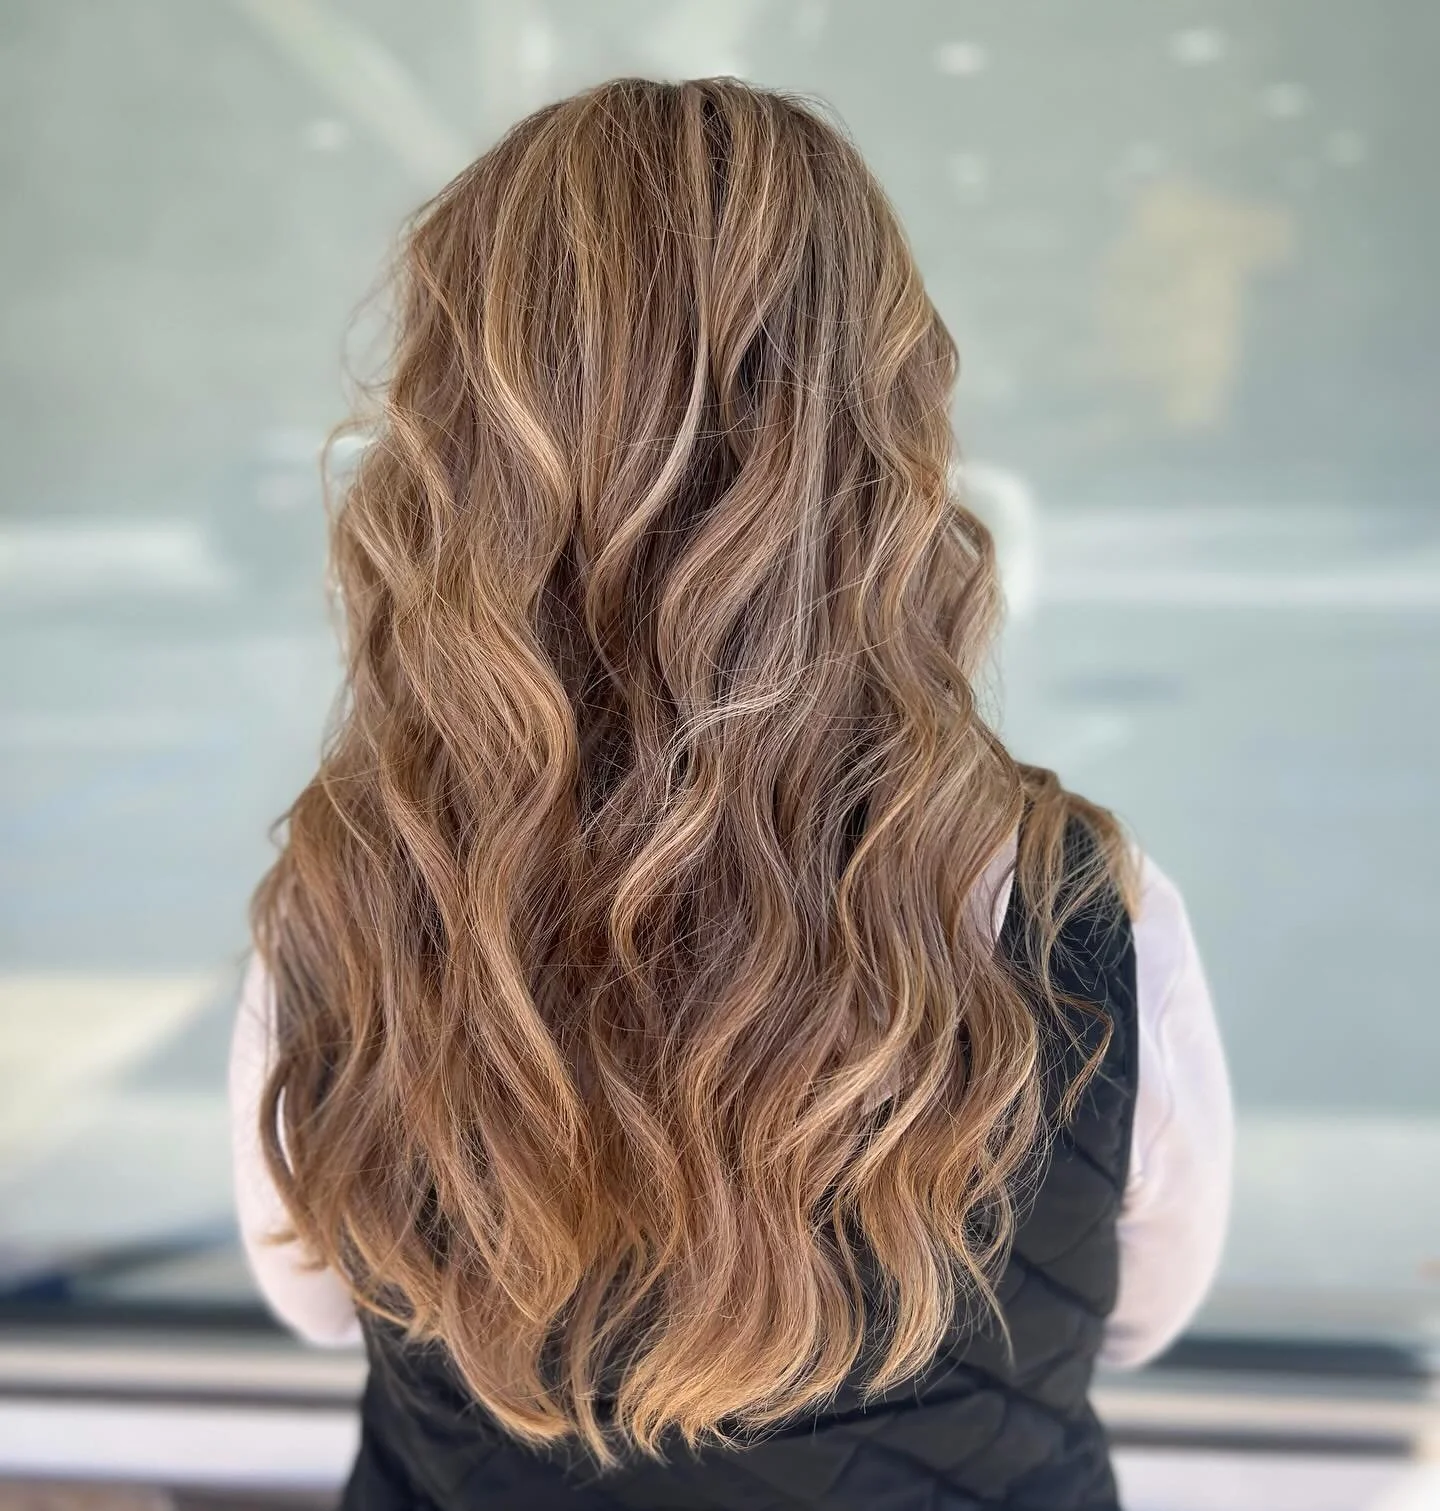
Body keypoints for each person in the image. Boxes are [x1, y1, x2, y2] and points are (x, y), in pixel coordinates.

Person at [229, 77, 1232, 1511]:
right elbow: (1137, 1310)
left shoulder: (348, 891)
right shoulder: (1082, 908)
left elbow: (318, 1294)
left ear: (458, 438)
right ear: (878, 427)